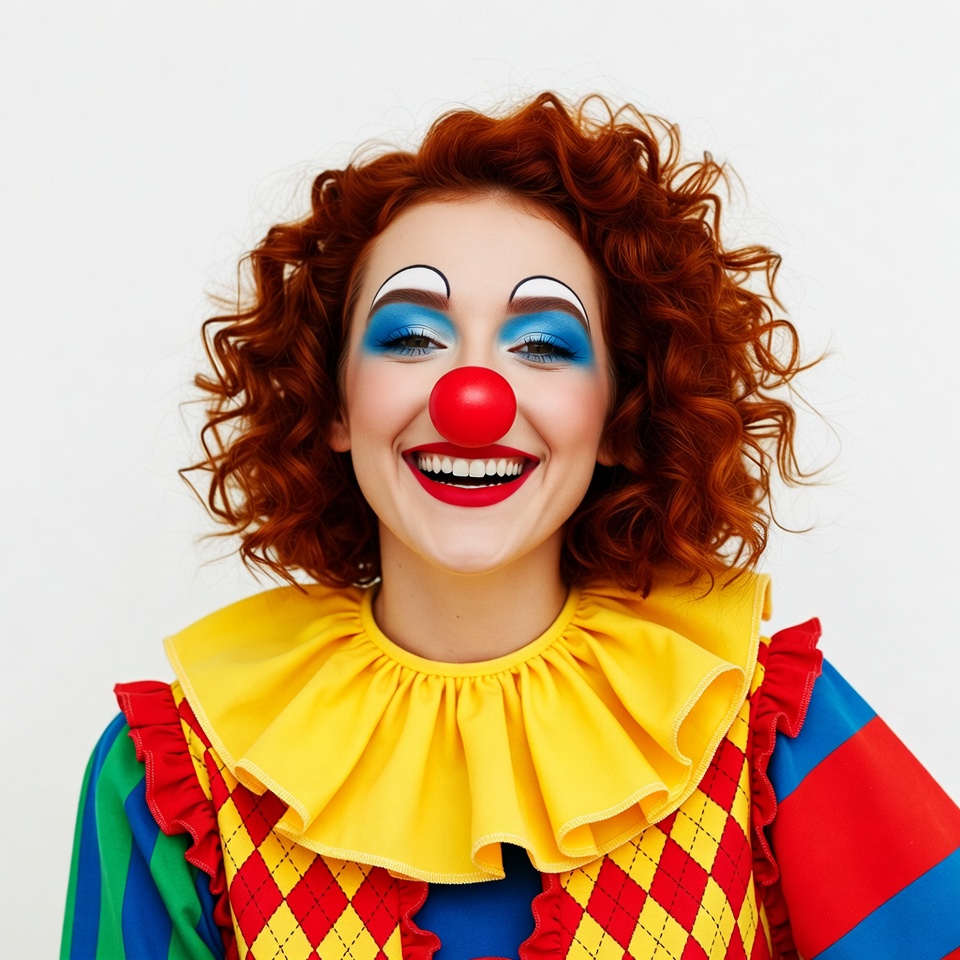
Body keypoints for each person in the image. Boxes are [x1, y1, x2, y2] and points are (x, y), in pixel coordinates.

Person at [61, 93, 960, 960]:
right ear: (333, 401)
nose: (473, 399)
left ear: (617, 411)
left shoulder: (755, 723)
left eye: (543, 345)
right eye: (412, 337)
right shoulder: (177, 774)